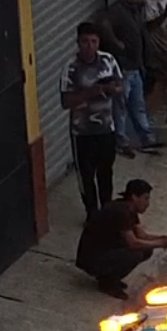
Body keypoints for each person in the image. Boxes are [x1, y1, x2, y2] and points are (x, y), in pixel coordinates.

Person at [75, 178, 167, 300]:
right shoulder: (121, 212)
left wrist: (166, 239)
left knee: (146, 250)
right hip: (92, 258)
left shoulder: (129, 210)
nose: (148, 203)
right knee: (135, 254)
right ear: (134, 197)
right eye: (145, 198)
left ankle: (111, 277)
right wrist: (161, 243)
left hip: (106, 250)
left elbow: (142, 236)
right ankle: (107, 283)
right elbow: (133, 243)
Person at [60, 22, 123, 216]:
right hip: (82, 133)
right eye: (85, 41)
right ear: (78, 43)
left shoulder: (108, 60)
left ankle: (106, 211)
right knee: (86, 176)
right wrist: (91, 92)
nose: (89, 46)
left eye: (93, 41)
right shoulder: (71, 68)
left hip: (106, 128)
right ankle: (92, 213)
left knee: (106, 172)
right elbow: (66, 101)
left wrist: (112, 89)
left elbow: (120, 85)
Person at [101, 0, 162, 158]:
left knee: (138, 105)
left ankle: (146, 138)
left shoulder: (135, 10)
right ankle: (122, 141)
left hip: (135, 68)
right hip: (123, 69)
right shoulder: (116, 11)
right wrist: (116, 43)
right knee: (120, 107)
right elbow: (103, 24)